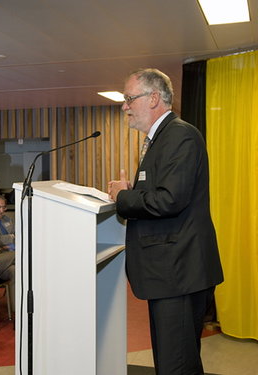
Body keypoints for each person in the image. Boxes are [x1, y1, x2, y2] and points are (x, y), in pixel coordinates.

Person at [107, 68, 224, 375]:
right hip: (171, 272)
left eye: (130, 98)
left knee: (176, 364)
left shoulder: (179, 135)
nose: (125, 106)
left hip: (179, 271)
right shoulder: (162, 137)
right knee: (176, 361)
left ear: (154, 98)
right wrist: (133, 193)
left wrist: (122, 198)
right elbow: (165, 194)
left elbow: (170, 200)